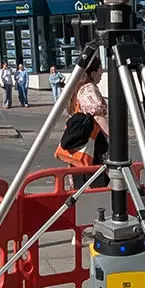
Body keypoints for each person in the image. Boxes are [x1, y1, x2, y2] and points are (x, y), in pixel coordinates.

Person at [55, 53, 108, 189]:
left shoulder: (76, 88)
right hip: (91, 146)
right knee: (95, 185)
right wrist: (112, 137)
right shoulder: (89, 89)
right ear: (93, 72)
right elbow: (97, 116)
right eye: (100, 70)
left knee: (80, 185)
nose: (101, 74)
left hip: (79, 145)